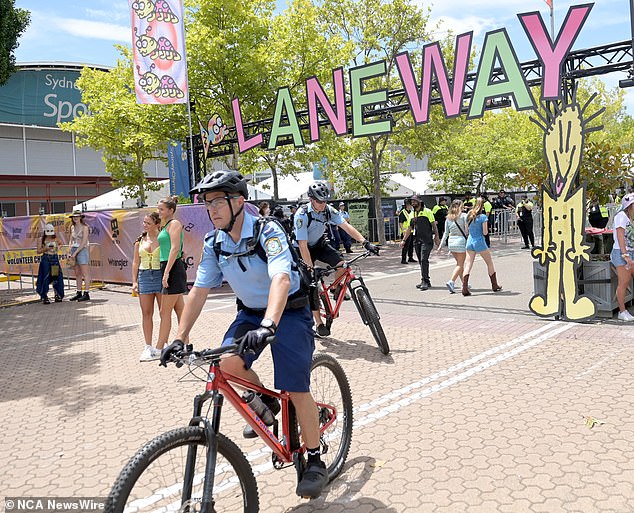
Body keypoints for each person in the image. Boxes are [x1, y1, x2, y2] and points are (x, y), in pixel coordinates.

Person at [161, 170, 329, 499]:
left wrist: (269, 325)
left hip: (290, 311)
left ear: (239, 202)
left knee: (295, 387)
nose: (212, 209)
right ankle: (266, 400)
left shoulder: (268, 231)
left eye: (218, 201)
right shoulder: (214, 242)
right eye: (207, 203)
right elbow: (198, 291)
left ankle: (314, 459)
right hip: (251, 312)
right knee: (225, 363)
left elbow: (281, 278)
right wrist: (179, 337)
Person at [294, 181, 378, 337]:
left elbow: (346, 226)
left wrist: (365, 242)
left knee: (343, 264)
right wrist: (310, 268)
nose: (323, 204)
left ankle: (335, 288)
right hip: (302, 248)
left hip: (319, 244)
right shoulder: (302, 214)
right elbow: (302, 245)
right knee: (311, 284)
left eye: (325, 200)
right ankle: (318, 323)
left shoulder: (328, 210)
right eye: (320, 201)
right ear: (311, 199)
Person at [132, 212, 163, 361]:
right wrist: (134, 282)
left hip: (160, 275)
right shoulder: (139, 241)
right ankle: (148, 346)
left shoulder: (163, 239)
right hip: (144, 276)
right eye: (144, 222)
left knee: (164, 312)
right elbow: (135, 262)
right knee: (146, 313)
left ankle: (163, 343)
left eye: (148, 223)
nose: (145, 225)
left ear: (156, 224)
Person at [156, 196, 186, 352]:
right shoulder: (166, 225)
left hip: (172, 267)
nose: (158, 211)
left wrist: (167, 273)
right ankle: (186, 344)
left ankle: (159, 348)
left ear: (171, 210)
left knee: (164, 311)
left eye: (161, 209)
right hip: (168, 265)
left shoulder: (174, 224)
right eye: (158, 208)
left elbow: (175, 249)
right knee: (180, 310)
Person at [462, 198, 502, 296]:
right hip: (479, 241)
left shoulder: (469, 216)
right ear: (482, 206)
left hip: (470, 241)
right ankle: (494, 285)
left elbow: (466, 231)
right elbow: (485, 232)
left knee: (468, 265)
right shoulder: (483, 217)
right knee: (489, 263)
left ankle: (465, 287)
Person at [400, 195, 439, 290]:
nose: (413, 203)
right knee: (421, 261)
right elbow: (409, 228)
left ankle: (425, 280)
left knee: (423, 259)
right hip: (416, 240)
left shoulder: (427, 212)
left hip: (427, 240)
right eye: (411, 201)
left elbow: (434, 225)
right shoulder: (411, 214)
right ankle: (425, 280)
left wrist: (437, 237)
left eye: (414, 201)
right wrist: (404, 240)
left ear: (419, 202)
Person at [610, 193, 634, 321]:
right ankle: (622, 311)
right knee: (623, 283)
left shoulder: (629, 217)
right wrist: (626, 255)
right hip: (622, 253)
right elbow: (620, 237)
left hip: (630, 252)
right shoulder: (621, 217)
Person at [437, 200, 469, 294]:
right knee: (460, 265)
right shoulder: (464, 216)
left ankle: (464, 283)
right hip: (461, 241)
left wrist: (441, 245)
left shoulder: (448, 218)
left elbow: (446, 233)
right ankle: (452, 281)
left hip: (451, 242)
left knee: (459, 264)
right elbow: (467, 230)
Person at [36, 223, 64, 304]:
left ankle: (57, 294)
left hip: (54, 259)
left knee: (56, 277)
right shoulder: (41, 239)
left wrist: (58, 247)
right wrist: (46, 248)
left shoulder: (55, 238)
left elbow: (60, 244)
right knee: (45, 277)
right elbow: (38, 251)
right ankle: (44, 296)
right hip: (46, 259)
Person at [68, 211, 91, 302]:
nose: (75, 218)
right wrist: (70, 251)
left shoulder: (85, 227)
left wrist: (75, 253)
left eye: (77, 216)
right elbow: (71, 240)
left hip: (82, 249)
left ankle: (86, 293)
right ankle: (78, 292)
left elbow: (84, 242)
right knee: (77, 272)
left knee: (85, 272)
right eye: (74, 217)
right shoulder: (72, 227)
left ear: (81, 217)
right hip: (74, 248)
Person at [398, 200, 416, 264]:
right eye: (410, 204)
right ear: (407, 205)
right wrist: (403, 230)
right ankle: (403, 259)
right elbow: (400, 223)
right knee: (405, 246)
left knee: (411, 245)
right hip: (405, 232)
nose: (411, 206)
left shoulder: (411, 212)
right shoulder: (402, 212)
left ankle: (410, 257)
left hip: (411, 231)